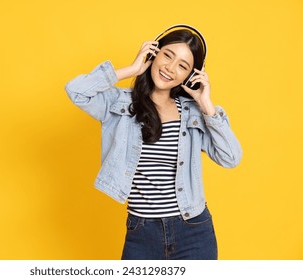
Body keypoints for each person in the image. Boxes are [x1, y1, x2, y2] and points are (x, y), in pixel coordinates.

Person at [65, 25, 242, 260]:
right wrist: (132, 69)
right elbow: (75, 90)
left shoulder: (193, 113)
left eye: (183, 66)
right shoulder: (119, 104)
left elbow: (231, 157)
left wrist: (206, 104)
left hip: (194, 231)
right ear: (154, 53)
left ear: (190, 76)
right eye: (168, 55)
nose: (170, 68)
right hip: (142, 231)